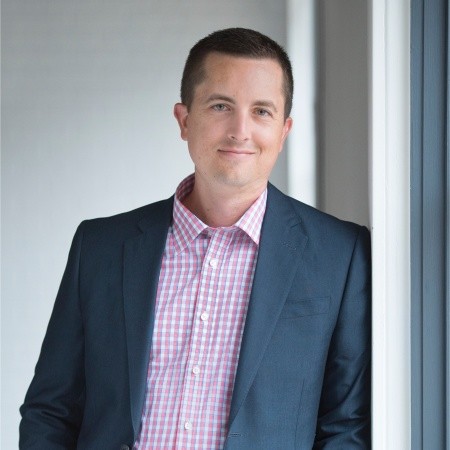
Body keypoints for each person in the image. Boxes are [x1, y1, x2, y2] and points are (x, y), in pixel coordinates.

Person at [20, 28, 371, 449]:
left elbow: (345, 426)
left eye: (262, 111)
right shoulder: (100, 248)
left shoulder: (341, 256)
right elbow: (50, 411)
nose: (240, 131)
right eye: (221, 106)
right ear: (184, 120)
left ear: (284, 130)